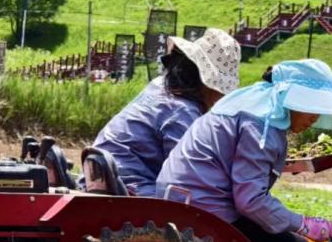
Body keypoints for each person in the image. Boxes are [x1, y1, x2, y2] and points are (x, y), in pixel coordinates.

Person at [156, 59, 332, 242]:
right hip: (203, 211)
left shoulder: (254, 103)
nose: (315, 117)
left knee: (275, 236)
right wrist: (302, 224)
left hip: (182, 200)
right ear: (292, 99)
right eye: (311, 107)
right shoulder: (263, 124)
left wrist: (286, 219)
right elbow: (250, 200)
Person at [91, 28, 240, 196]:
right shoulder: (183, 111)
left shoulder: (158, 86)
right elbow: (189, 173)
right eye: (219, 91)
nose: (219, 98)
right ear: (205, 84)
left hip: (100, 176)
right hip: (129, 188)